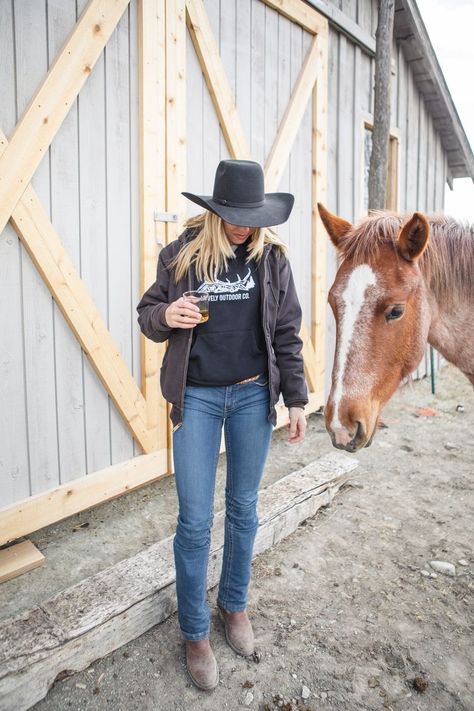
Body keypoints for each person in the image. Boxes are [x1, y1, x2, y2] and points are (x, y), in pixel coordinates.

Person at [137, 159, 307, 691]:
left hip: (255, 394)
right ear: (214, 211)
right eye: (233, 214)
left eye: (251, 216)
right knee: (193, 522)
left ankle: (233, 605)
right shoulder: (181, 256)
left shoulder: (272, 260)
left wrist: (296, 400)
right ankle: (194, 631)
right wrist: (167, 316)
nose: (242, 225)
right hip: (200, 400)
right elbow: (147, 315)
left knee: (243, 508)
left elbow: (286, 333)